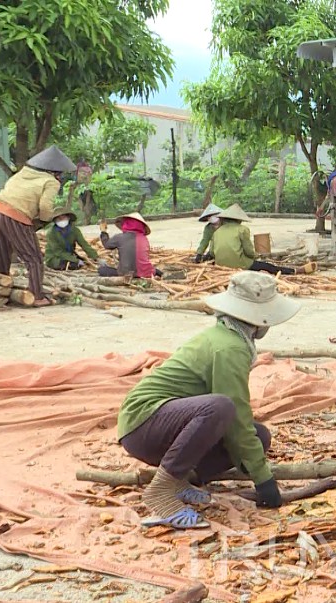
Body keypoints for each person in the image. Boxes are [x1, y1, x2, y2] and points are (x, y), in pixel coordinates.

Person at [117, 271, 300, 529]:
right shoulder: (230, 347)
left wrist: (256, 466)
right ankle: (161, 491)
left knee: (259, 436)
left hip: (167, 427)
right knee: (221, 407)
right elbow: (234, 414)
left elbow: (239, 426)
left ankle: (180, 479)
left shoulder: (228, 337)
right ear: (259, 319)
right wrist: (264, 480)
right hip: (144, 424)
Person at [0, 146, 77, 307]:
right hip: (15, 214)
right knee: (34, 258)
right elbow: (45, 207)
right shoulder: (51, 181)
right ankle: (36, 296)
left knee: (3, 249)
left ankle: (2, 282)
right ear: (55, 171)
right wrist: (45, 219)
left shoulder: (23, 172)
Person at [211, 204, 315, 275]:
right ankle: (295, 271)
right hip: (240, 264)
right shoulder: (242, 229)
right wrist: (255, 256)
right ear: (239, 220)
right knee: (268, 267)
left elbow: (212, 252)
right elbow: (249, 251)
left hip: (220, 265)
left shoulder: (216, 232)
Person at [98, 212, 162, 279]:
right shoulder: (144, 239)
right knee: (156, 271)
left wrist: (103, 231)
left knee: (101, 270)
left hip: (126, 274)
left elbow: (107, 245)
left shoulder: (119, 237)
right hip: (146, 273)